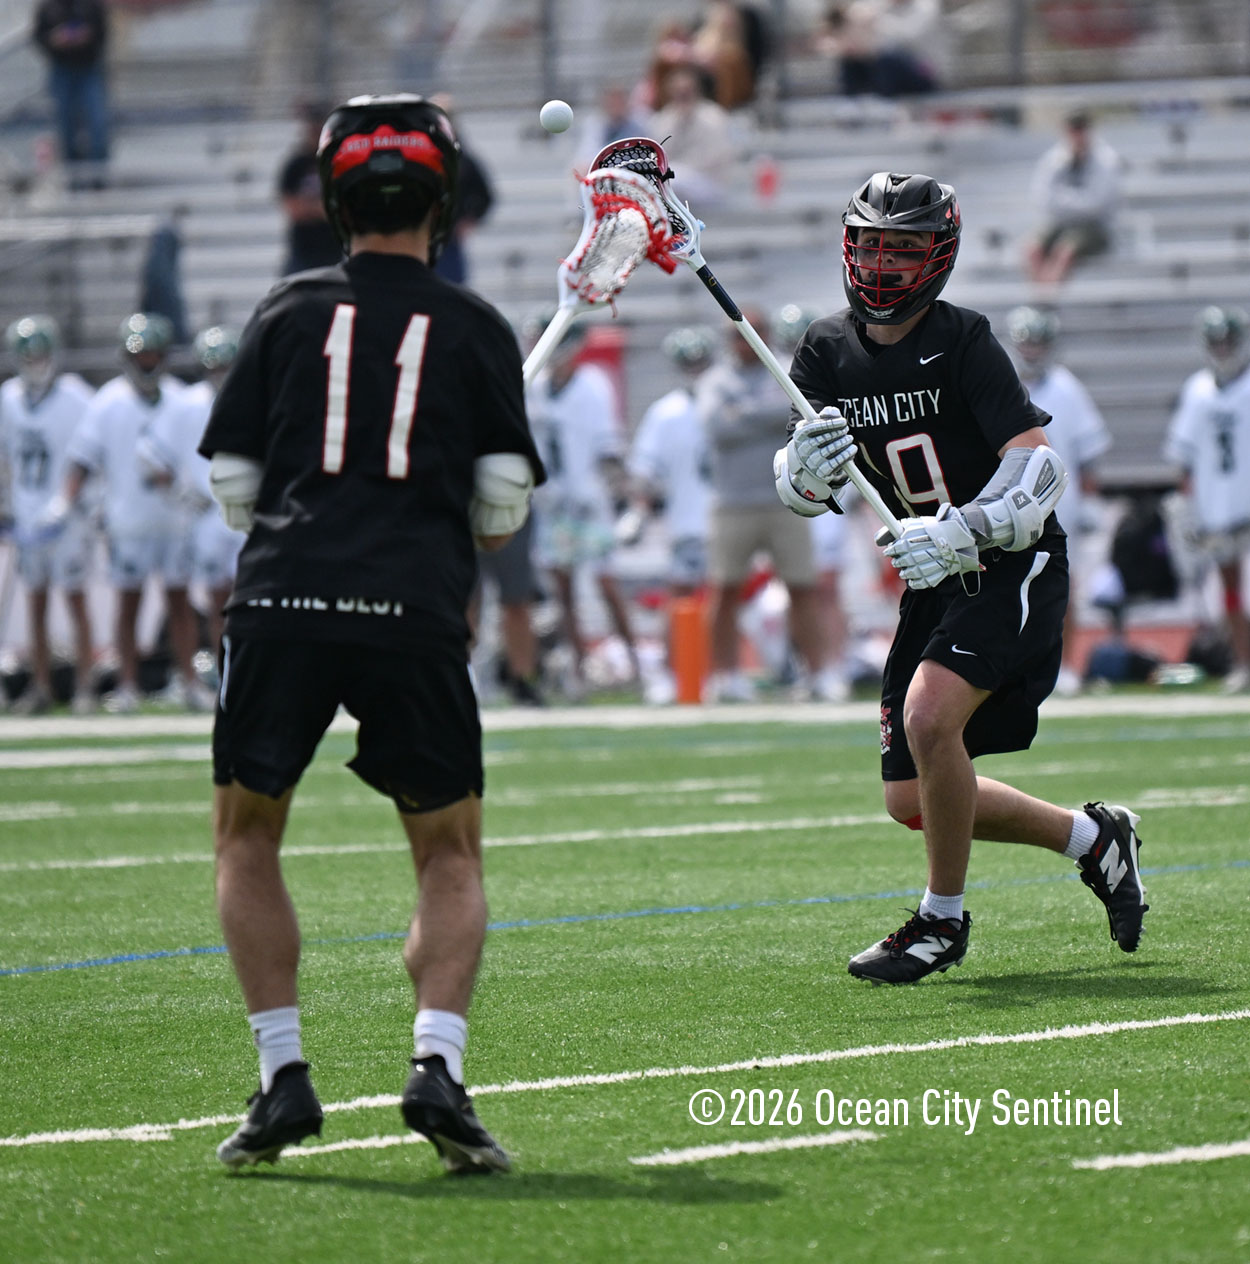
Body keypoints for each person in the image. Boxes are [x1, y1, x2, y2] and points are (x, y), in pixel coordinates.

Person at [200, 94, 543, 1173]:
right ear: (443, 202)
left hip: (285, 600)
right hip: (413, 606)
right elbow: (500, 516)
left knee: (247, 836)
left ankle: (282, 1076)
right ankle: (436, 1063)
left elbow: (234, 490)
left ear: (334, 200)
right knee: (447, 852)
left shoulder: (284, 310)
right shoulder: (476, 325)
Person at [774, 171, 1147, 984]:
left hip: (1008, 561)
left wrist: (964, 527)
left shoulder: (964, 338)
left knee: (929, 718)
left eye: (903, 248)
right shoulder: (825, 350)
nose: (883, 263)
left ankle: (940, 922)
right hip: (933, 577)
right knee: (911, 798)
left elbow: (1038, 467)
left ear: (938, 255)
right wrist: (803, 467)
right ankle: (1093, 840)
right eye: (872, 245)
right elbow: (804, 494)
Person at [54, 313, 194, 714]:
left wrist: (186, 487)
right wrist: (65, 501)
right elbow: (82, 458)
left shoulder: (182, 400)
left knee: (180, 603)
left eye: (153, 354)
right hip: (127, 520)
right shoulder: (108, 401)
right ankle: (127, 684)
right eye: (140, 354)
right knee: (129, 604)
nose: (147, 361)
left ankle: (189, 682)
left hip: (173, 519)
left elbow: (198, 458)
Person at [698, 305, 838, 703]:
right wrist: (765, 413)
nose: (744, 340)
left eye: (752, 331)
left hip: (787, 498)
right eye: (737, 334)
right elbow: (716, 426)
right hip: (733, 500)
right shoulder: (716, 380)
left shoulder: (785, 370)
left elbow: (797, 412)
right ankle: (724, 676)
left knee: (803, 586)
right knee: (725, 589)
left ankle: (818, 672)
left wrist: (743, 412)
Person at [525, 316, 639, 697]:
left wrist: (614, 494)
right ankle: (578, 671)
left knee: (606, 583)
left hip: (589, 501)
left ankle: (637, 664)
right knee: (563, 591)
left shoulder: (592, 385)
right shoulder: (534, 386)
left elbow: (608, 448)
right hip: (552, 501)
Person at [1006, 305, 1111, 695]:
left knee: (1063, 588)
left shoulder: (1067, 388)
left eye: (1037, 342)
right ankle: (1015, 666)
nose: (1031, 350)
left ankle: (1066, 664)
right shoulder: (1001, 383)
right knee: (1010, 588)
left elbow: (1086, 455)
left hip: (1059, 502)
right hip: (1009, 503)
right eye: (1026, 342)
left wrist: (1090, 501)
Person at [0, 315, 96, 714]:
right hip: (27, 514)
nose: (35, 361)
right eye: (28, 355)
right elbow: (5, 457)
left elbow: (88, 451)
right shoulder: (8, 397)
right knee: (35, 603)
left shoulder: (75, 395)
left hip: (65, 516)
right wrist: (6, 504)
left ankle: (86, 687)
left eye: (40, 353)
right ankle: (40, 686)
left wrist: (68, 502)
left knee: (75, 599)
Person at [135, 326, 244, 669]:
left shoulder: (258, 397)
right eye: (215, 366)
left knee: (253, 601)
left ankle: (248, 675)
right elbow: (149, 455)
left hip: (249, 514)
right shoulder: (187, 404)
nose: (220, 373)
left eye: (226, 366)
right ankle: (226, 674)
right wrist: (180, 492)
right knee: (219, 602)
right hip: (210, 513)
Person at [626, 324, 716, 704]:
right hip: (688, 522)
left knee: (724, 602)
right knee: (679, 598)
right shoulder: (666, 413)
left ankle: (718, 673)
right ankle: (670, 672)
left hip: (728, 518)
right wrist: (639, 511)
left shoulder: (730, 401)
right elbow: (645, 472)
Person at [1163, 306, 1250, 694]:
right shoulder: (1198, 389)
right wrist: (1188, 504)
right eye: (1216, 341)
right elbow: (1184, 457)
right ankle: (1244, 663)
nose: (1223, 348)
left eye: (1228, 341)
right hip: (1217, 506)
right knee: (1230, 592)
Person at [1025, 111, 1121, 290]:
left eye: (1080, 129)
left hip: (1094, 227)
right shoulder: (1054, 159)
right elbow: (1043, 197)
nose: (1076, 136)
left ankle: (1047, 298)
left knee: (1065, 251)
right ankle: (1040, 296)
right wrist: (1075, 201)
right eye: (1072, 130)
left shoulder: (1105, 159)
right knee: (1032, 249)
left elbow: (1096, 204)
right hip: (1059, 224)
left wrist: (1063, 200)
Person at [33, 0, 110, 188]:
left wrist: (87, 38)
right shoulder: (49, 7)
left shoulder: (91, 5)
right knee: (66, 126)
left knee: (97, 123)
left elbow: (103, 33)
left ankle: (98, 179)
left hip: (89, 69)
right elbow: (39, 36)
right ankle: (73, 181)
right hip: (62, 70)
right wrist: (54, 40)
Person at [648, 65, 737, 208]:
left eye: (686, 91)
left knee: (673, 179)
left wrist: (682, 169)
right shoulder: (663, 119)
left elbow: (715, 158)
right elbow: (659, 155)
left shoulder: (713, 116)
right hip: (676, 180)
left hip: (709, 181)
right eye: (678, 91)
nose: (683, 95)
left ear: (696, 90)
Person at [428, 95, 494, 287]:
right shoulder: (421, 155)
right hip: (421, 240)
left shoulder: (462, 159)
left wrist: (469, 219)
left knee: (452, 289)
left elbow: (485, 196)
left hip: (450, 242)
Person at [275, 101, 342, 276]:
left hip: (334, 251)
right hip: (302, 253)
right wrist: (322, 208)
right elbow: (293, 208)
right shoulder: (296, 165)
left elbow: (343, 209)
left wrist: (311, 207)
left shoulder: (338, 162)